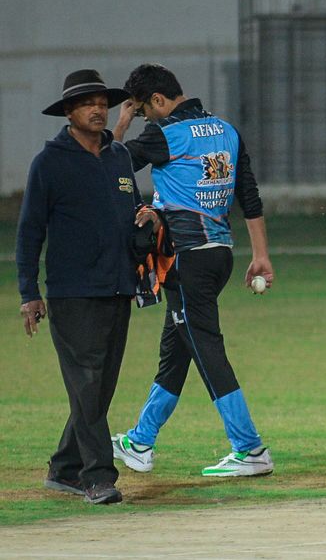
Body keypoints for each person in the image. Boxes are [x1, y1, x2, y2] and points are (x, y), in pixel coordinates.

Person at [110, 64, 276, 477]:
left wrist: (121, 125)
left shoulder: (165, 134)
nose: (145, 118)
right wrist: (261, 255)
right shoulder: (225, 130)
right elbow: (249, 195)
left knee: (206, 350)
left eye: (144, 111)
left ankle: (250, 449)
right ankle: (141, 441)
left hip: (186, 261)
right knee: (176, 353)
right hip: (220, 256)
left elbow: (108, 167)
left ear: (158, 100)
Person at [16, 69, 147, 505]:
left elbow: (131, 211)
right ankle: (97, 477)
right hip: (72, 292)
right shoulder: (50, 163)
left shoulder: (119, 157)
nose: (97, 109)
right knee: (88, 384)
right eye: (87, 103)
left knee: (99, 387)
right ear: (69, 112)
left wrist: (147, 221)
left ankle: (64, 468)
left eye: (102, 103)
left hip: (119, 286)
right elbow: (29, 231)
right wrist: (28, 292)